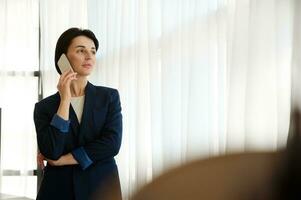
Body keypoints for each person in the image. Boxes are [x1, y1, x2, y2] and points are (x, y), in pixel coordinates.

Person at [33, 27, 122, 200]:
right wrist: (65, 100)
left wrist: (64, 159)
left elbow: (112, 144)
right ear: (63, 59)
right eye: (81, 50)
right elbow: (51, 151)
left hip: (101, 189)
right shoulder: (44, 107)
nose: (89, 56)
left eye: (93, 51)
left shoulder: (109, 97)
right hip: (58, 191)